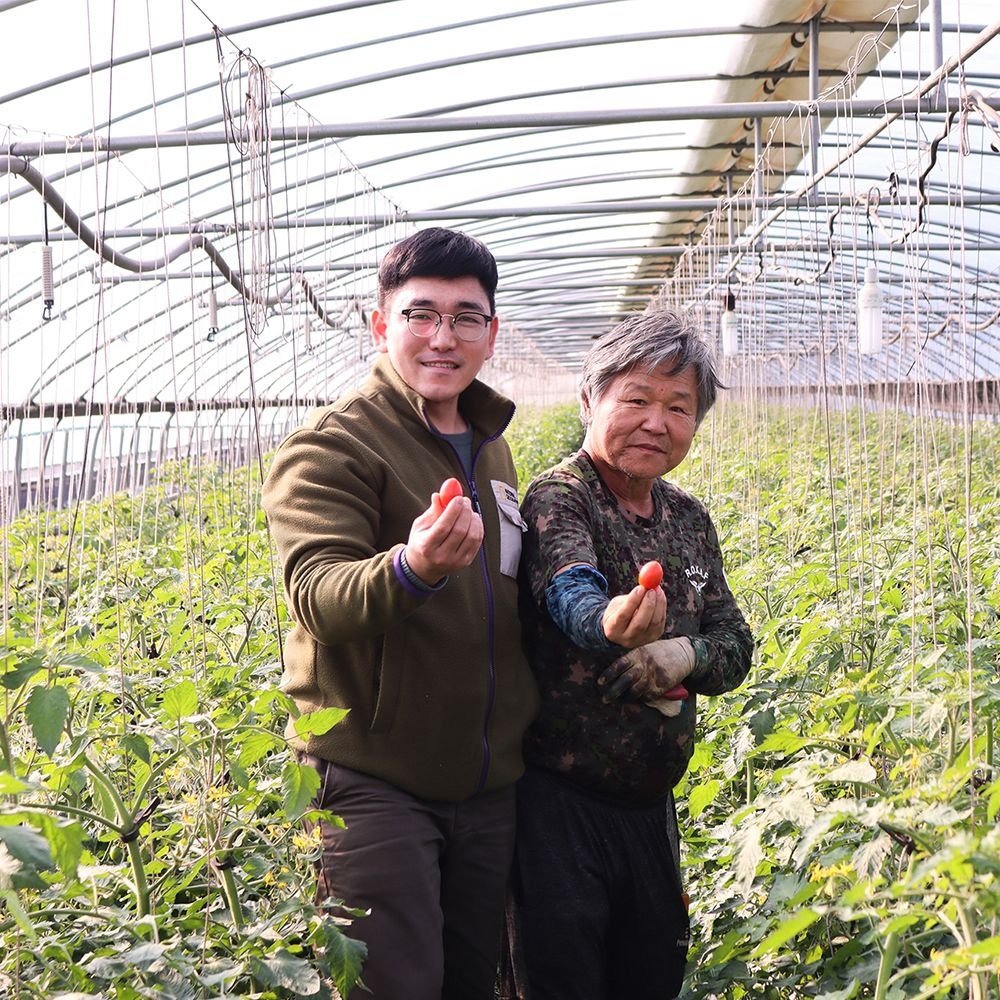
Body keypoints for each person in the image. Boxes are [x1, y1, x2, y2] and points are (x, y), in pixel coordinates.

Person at [262, 227, 539, 1000]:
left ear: (492, 332)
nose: (442, 337)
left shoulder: (488, 443)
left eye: (465, 317)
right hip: (374, 777)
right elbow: (317, 595)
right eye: (420, 315)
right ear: (380, 324)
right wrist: (412, 567)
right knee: (395, 987)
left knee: (471, 983)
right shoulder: (332, 446)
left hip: (484, 784)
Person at [503, 309, 754, 1000]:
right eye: (637, 399)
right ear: (591, 401)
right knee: (564, 981)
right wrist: (611, 621)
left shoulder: (687, 518)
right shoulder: (563, 496)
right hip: (559, 807)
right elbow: (568, 587)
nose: (656, 422)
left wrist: (684, 653)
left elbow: (735, 645)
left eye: (679, 407)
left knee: (650, 974)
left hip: (650, 809)